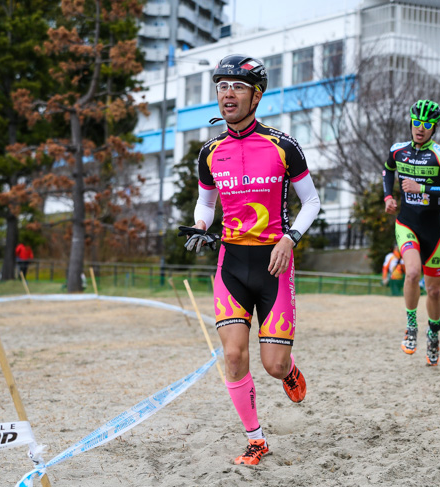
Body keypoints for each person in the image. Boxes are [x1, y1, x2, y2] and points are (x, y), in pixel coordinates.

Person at [185, 54, 320, 466]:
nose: (228, 93)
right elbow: (205, 204)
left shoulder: (283, 145)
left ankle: (289, 371)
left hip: (274, 265)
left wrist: (290, 239)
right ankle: (256, 439)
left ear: (256, 95)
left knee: (274, 365)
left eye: (238, 86)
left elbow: (311, 201)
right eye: (222, 86)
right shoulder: (210, 151)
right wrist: (200, 226)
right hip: (231, 265)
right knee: (232, 356)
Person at [382, 99, 440, 366]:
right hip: (407, 224)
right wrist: (387, 196)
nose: (420, 128)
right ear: (410, 122)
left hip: (433, 231)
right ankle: (411, 326)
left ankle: (433, 333)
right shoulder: (398, 150)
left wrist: (423, 189)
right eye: (416, 123)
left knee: (434, 292)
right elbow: (387, 170)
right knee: (412, 272)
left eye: (427, 125)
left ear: (434, 128)